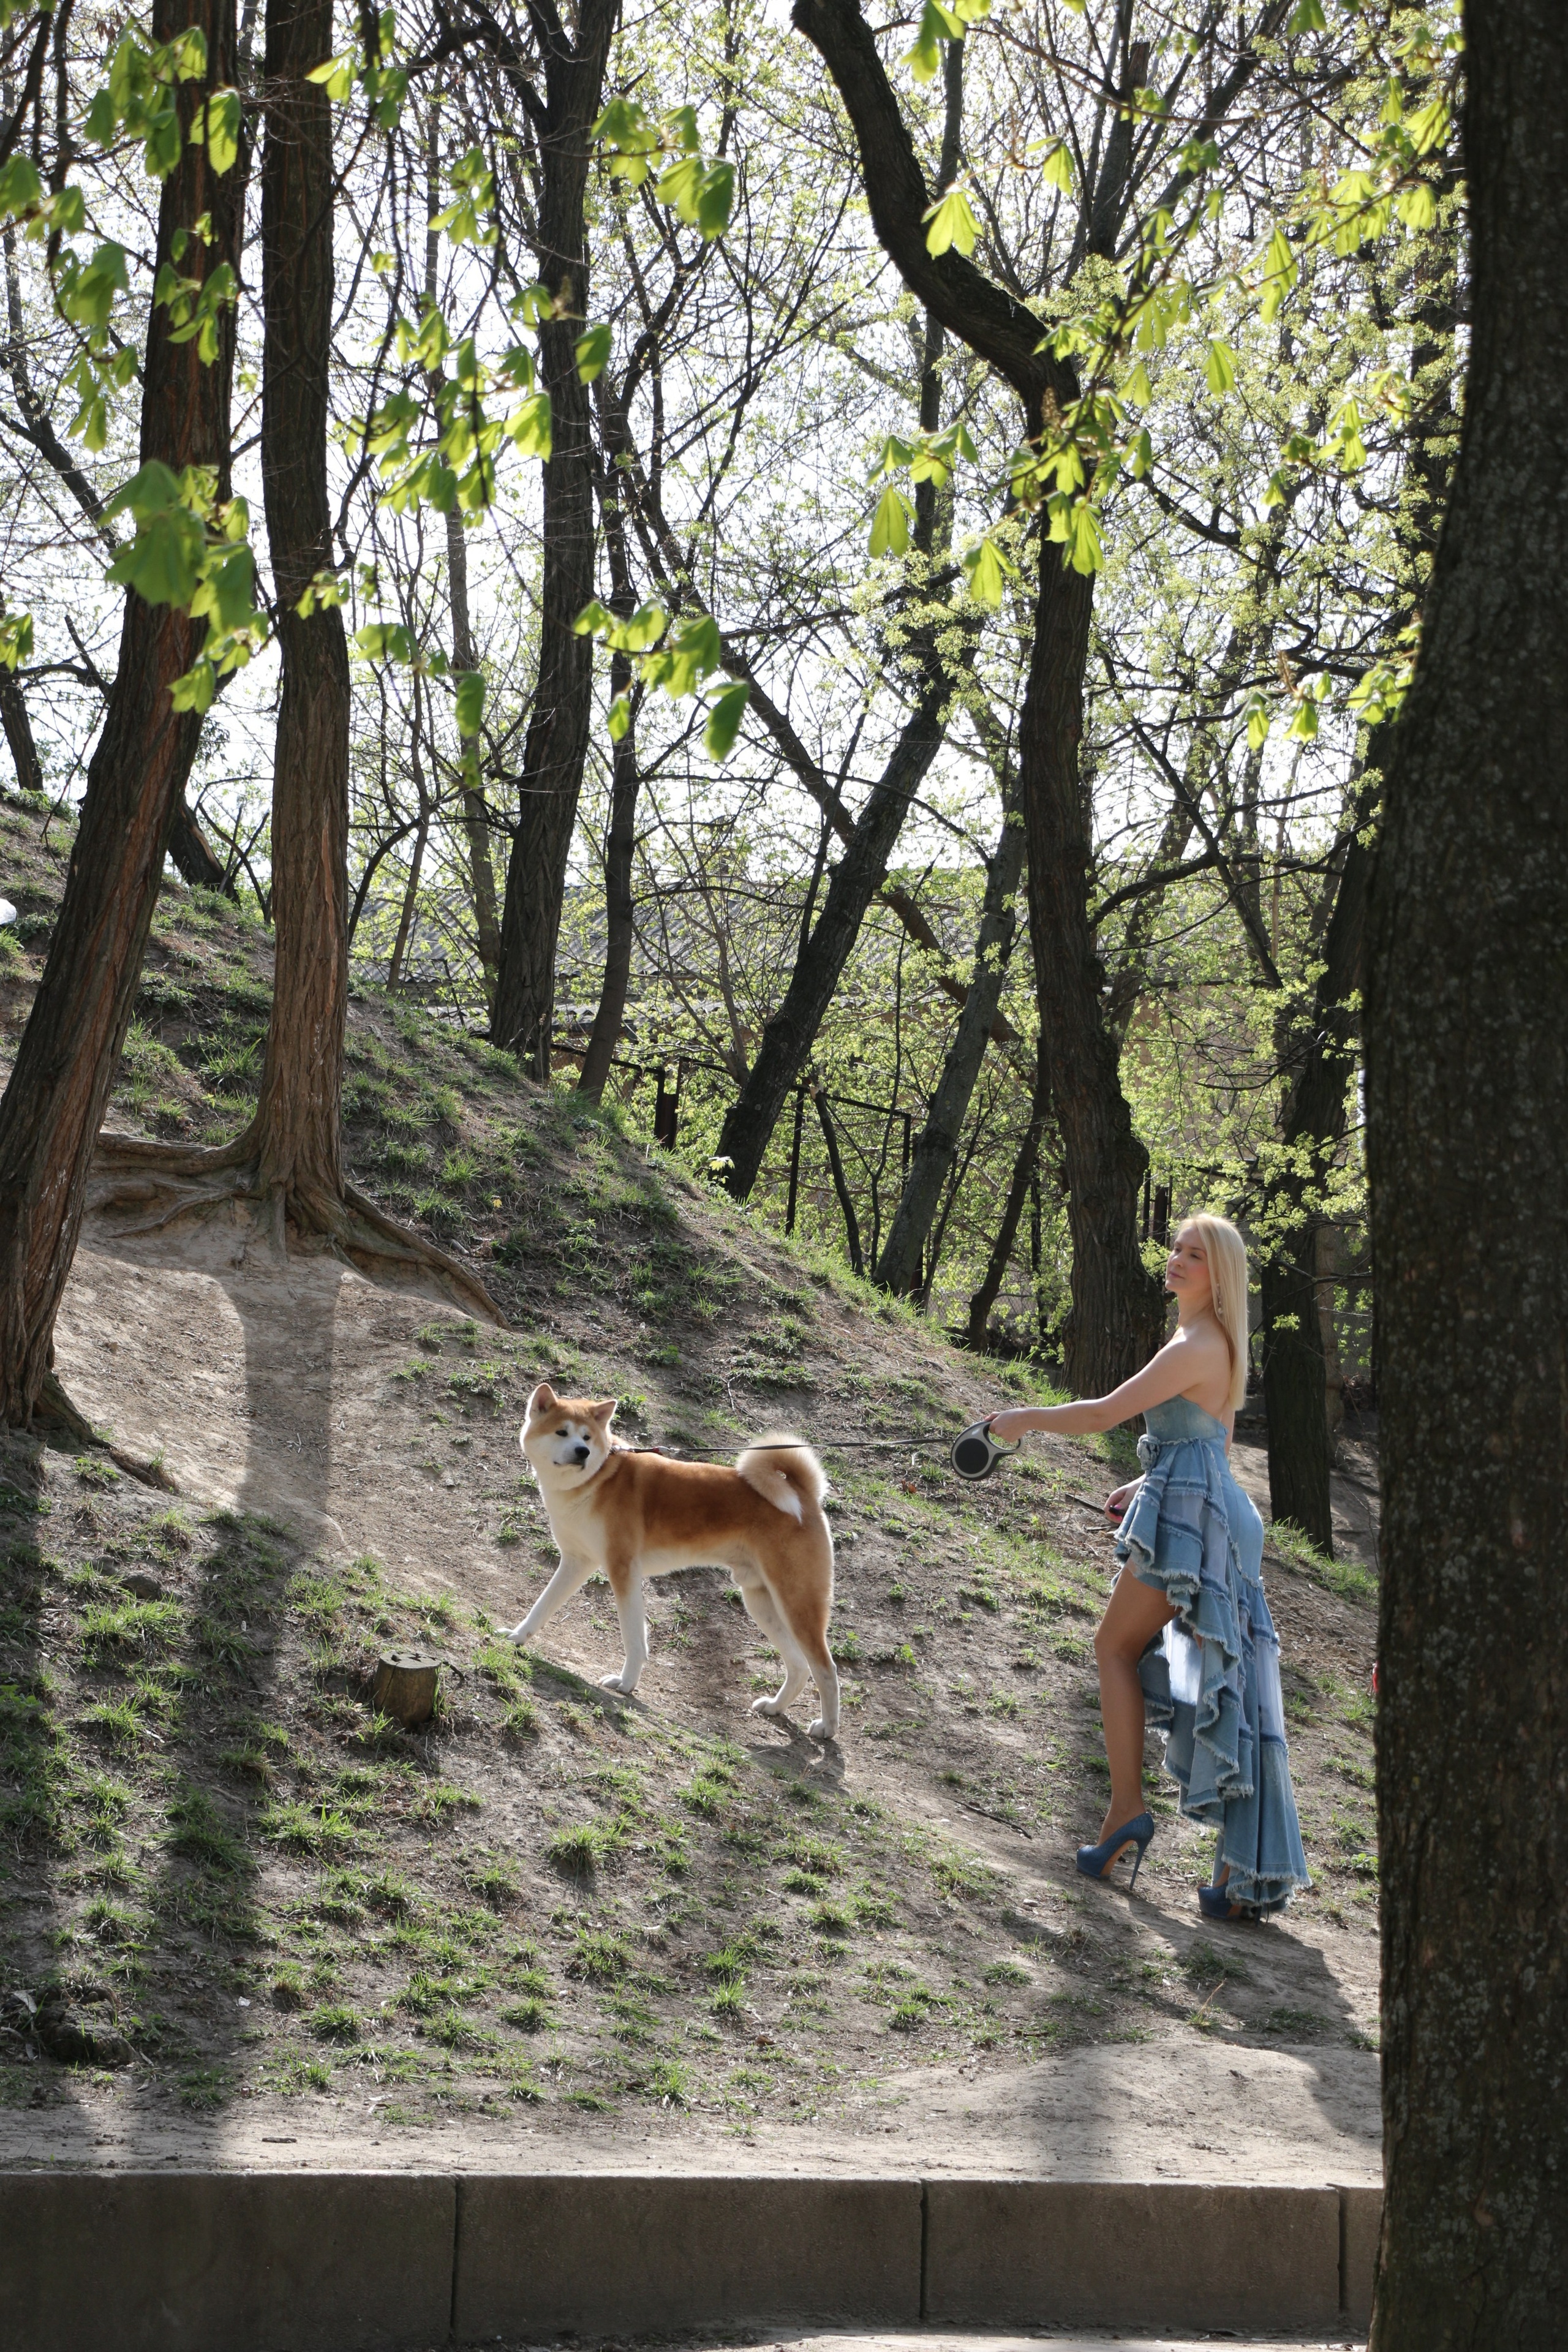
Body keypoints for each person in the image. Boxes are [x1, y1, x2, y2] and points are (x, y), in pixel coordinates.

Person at [987, 1213, 1309, 1920]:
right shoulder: (1209, 1340)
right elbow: (1212, 1438)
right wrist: (1143, 1482)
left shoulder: (1197, 1343)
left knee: (1115, 1647)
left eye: (1195, 1255)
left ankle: (1127, 1813)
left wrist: (1022, 1418)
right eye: (1176, 1248)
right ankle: (1234, 1870)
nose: (1177, 1260)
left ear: (1219, 1275)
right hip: (1210, 1509)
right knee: (1223, 1679)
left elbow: (1103, 1415)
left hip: (1200, 1519)